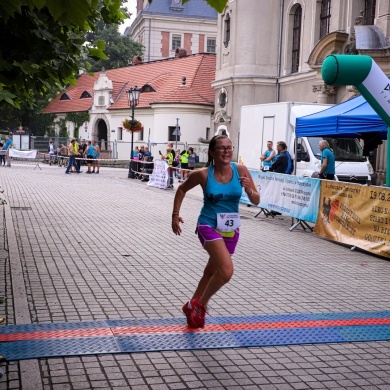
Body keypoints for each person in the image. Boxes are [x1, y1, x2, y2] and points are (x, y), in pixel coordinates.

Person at [171, 135, 260, 328]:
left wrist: (249, 190)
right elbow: (181, 189)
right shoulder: (203, 174)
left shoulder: (241, 170)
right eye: (221, 148)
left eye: (229, 147)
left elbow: (256, 201)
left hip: (230, 229)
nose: (227, 151)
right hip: (208, 225)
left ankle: (190, 305)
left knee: (211, 271)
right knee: (226, 272)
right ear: (212, 152)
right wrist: (175, 215)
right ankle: (200, 305)